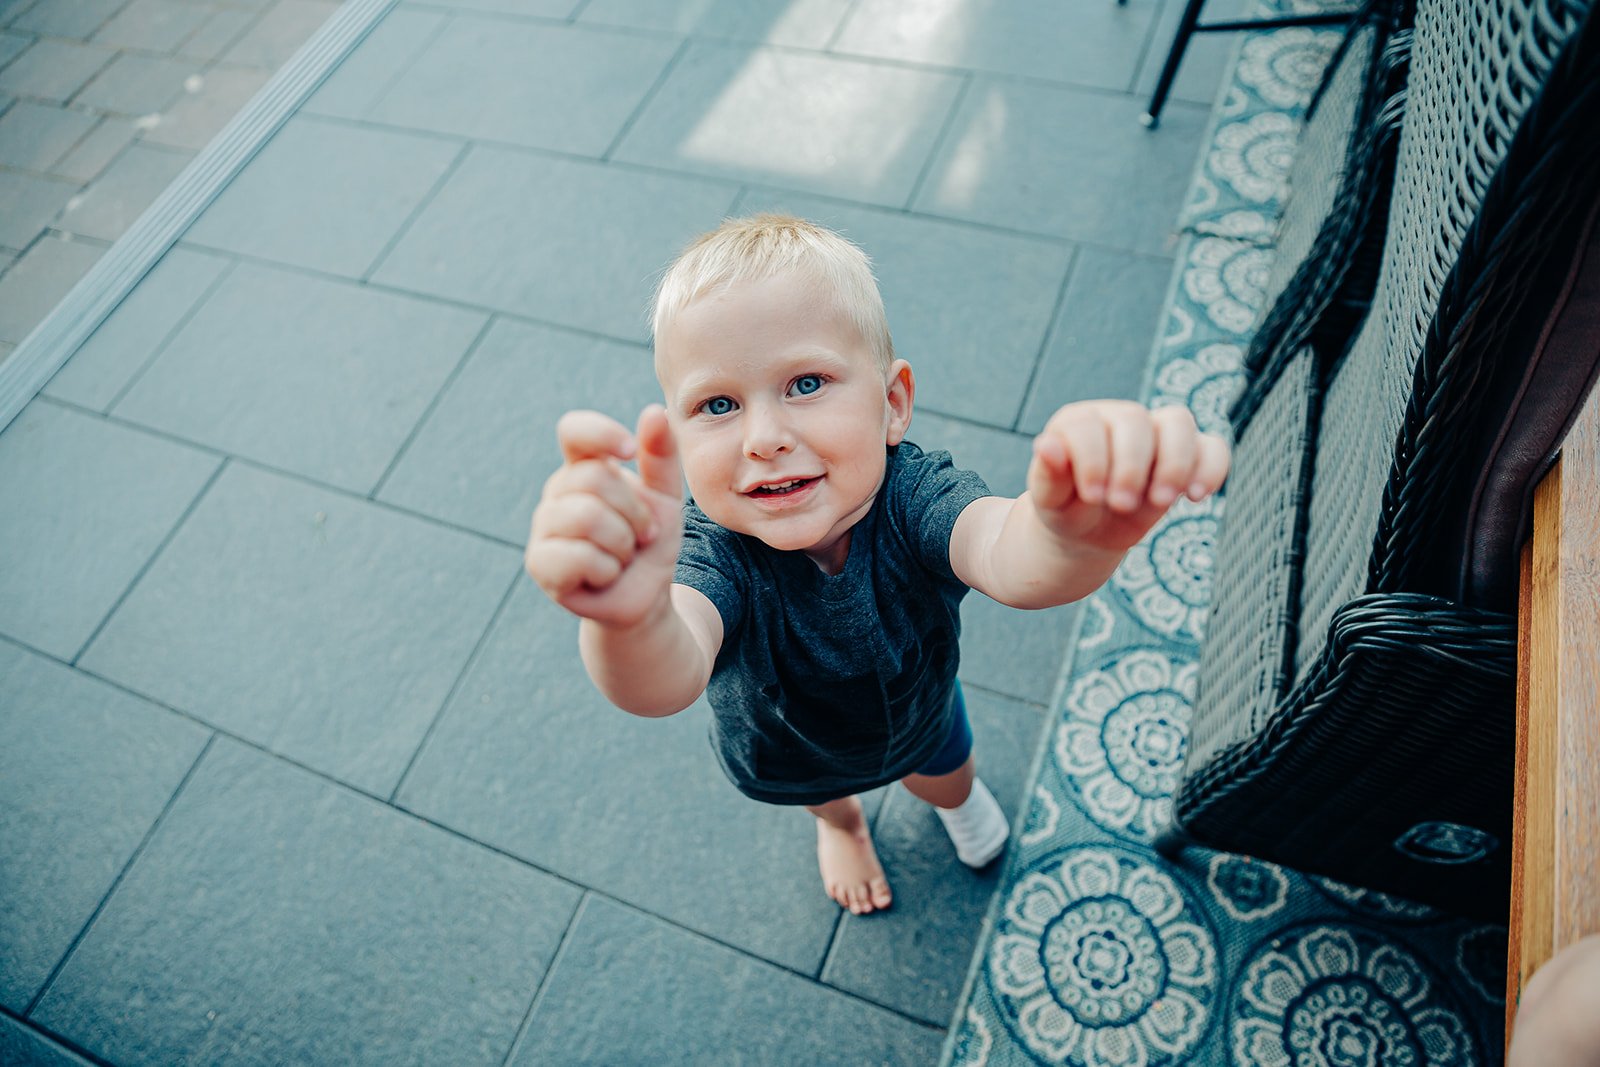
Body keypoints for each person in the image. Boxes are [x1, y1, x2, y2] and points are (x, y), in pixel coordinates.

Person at [525, 215, 1229, 915]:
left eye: (805, 383)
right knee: (825, 801)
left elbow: (1009, 555)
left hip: (922, 708)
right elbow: (666, 673)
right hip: (791, 745)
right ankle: (846, 828)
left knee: (947, 778)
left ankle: (949, 802)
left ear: (892, 404)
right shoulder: (712, 552)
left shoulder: (914, 495)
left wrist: (1073, 536)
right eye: (718, 404)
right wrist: (632, 619)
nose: (765, 437)